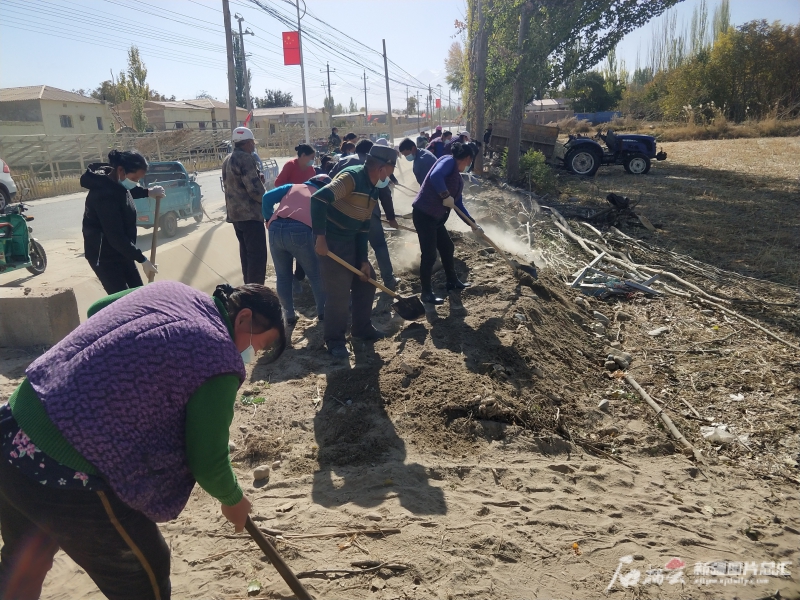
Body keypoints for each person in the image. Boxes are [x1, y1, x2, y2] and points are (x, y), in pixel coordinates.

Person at [0, 280, 286, 600]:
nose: (252, 354)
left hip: (15, 426)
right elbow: (208, 461)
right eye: (258, 346)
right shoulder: (218, 358)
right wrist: (233, 500)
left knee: (23, 564)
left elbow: (98, 309)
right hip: (64, 468)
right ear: (244, 318)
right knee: (143, 571)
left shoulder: (173, 290)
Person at [311, 145, 395, 358]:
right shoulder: (352, 178)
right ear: (382, 169)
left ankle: (361, 328)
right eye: (393, 168)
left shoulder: (373, 189)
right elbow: (319, 199)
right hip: (331, 242)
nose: (392, 174)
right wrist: (320, 237)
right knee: (338, 293)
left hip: (350, 240)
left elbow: (363, 227)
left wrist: (364, 259)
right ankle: (335, 340)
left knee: (367, 280)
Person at [80, 150, 163, 295]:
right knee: (124, 301)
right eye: (134, 178)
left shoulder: (115, 182)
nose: (135, 183)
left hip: (122, 251)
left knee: (138, 293)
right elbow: (115, 236)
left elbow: (125, 192)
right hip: (104, 257)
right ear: (120, 170)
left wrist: (147, 192)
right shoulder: (103, 195)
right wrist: (142, 259)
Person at [411, 142, 480, 305]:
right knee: (429, 255)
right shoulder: (448, 161)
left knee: (447, 247)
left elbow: (459, 206)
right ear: (468, 158)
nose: (469, 164)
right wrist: (444, 195)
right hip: (424, 215)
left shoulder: (457, 179)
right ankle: (426, 293)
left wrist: (472, 223)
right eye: (470, 161)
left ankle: (452, 281)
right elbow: (435, 176)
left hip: (435, 219)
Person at [329, 139, 401, 291]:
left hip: (342, 214)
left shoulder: (343, 162)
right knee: (379, 245)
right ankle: (389, 280)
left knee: (349, 248)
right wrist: (391, 217)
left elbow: (329, 181)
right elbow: (385, 193)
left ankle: (349, 284)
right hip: (368, 212)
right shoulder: (375, 167)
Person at [263, 174, 330, 324]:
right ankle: (323, 312)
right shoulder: (323, 194)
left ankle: (288, 314)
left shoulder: (292, 187)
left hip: (275, 228)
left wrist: (268, 218)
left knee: (283, 276)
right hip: (300, 230)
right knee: (315, 274)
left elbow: (266, 197)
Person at [222, 127, 268, 285]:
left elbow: (234, 185)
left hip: (236, 216)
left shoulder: (228, 159)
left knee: (246, 256)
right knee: (257, 257)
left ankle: (248, 289)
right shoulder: (246, 158)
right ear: (248, 143)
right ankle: (256, 293)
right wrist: (268, 201)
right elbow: (255, 190)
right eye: (252, 143)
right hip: (250, 216)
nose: (253, 146)